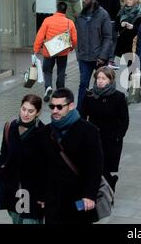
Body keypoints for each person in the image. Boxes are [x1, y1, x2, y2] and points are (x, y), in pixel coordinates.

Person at [43, 88, 103, 224]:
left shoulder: (89, 131)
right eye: (52, 106)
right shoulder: (46, 131)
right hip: (53, 200)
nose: (55, 111)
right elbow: (40, 166)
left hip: (78, 198)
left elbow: (96, 166)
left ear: (71, 106)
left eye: (59, 107)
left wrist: (89, 194)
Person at [0, 94, 45, 224]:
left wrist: (44, 194)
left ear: (38, 112)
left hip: (32, 192)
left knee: (30, 221)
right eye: (23, 109)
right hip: (12, 189)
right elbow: (3, 154)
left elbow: (47, 167)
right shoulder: (10, 127)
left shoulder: (44, 132)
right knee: (16, 220)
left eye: (30, 111)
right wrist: (0, 177)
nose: (26, 114)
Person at [80, 67, 129, 191]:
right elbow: (82, 115)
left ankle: (106, 189)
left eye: (104, 78)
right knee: (94, 165)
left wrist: (119, 136)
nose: (100, 81)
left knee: (105, 166)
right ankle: (107, 185)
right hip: (94, 137)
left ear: (110, 80)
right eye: (98, 78)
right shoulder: (89, 95)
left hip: (111, 139)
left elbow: (124, 119)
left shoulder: (118, 97)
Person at [75, 0, 113, 112]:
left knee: (102, 84)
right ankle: (80, 111)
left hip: (99, 58)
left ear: (92, 0)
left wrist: (102, 56)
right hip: (84, 58)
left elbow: (108, 37)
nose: (83, 1)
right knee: (83, 84)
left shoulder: (103, 15)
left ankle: (102, 108)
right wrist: (78, 53)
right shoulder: (81, 16)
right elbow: (77, 35)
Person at [33, 1, 78, 103]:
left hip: (49, 51)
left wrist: (36, 49)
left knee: (47, 71)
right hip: (62, 51)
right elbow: (75, 38)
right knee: (61, 71)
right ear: (65, 11)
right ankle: (60, 92)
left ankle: (48, 87)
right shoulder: (69, 22)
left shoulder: (47, 20)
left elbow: (40, 36)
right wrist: (71, 48)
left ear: (56, 9)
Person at [96, 0, 122, 70]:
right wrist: (119, 25)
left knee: (101, 40)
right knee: (112, 42)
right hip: (111, 22)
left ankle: (101, 58)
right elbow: (118, 11)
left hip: (98, 23)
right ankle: (110, 61)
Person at [114, 0, 141, 64]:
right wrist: (121, 25)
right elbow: (116, 27)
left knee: (132, 67)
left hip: (134, 44)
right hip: (122, 44)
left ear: (136, 1)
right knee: (126, 67)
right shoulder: (122, 11)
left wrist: (133, 27)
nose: (128, 1)